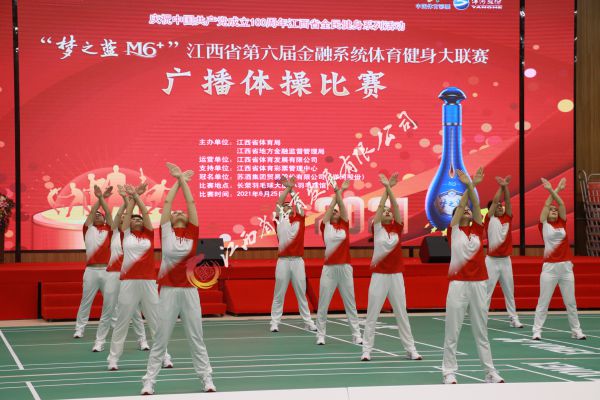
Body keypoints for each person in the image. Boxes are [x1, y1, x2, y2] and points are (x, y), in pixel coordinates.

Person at [141, 163, 215, 394]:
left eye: (182, 212)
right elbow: (167, 204)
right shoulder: (166, 232)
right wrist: (176, 180)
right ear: (170, 220)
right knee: (161, 338)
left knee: (196, 337)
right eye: (176, 213)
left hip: (190, 290)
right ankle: (149, 381)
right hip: (169, 290)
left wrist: (183, 180)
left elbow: (191, 203)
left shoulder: (192, 232)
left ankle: (207, 378)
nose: (180, 212)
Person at [442, 168, 504, 384]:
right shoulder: (454, 230)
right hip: (458, 284)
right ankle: (449, 371)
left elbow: (476, 207)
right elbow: (461, 206)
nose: (467, 211)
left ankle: (490, 372)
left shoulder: (477, 230)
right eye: (464, 211)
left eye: (469, 211)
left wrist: (472, 185)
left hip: (479, 284)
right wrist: (468, 185)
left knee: (481, 330)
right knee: (453, 330)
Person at [107, 183, 172, 371]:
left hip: (149, 282)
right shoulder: (125, 234)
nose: (136, 220)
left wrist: (137, 196)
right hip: (128, 282)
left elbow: (145, 213)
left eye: (139, 219)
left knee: (156, 322)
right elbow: (128, 214)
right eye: (133, 219)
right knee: (122, 322)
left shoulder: (149, 235)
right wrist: (131, 200)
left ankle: (164, 356)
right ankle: (113, 359)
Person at [361, 173, 421, 361]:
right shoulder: (377, 227)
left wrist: (390, 189)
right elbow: (380, 209)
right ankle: (366, 350)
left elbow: (395, 207)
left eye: (389, 212)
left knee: (401, 313)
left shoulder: (397, 228)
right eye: (384, 212)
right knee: (372, 314)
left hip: (396, 275)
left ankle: (411, 349)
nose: (387, 212)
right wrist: (386, 189)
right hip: (379, 275)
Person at [93, 185, 148, 352]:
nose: (123, 217)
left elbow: (131, 214)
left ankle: (142, 341)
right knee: (108, 309)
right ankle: (99, 342)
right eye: (122, 216)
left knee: (135, 311)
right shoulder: (115, 233)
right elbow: (116, 215)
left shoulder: (135, 237)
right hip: (113, 275)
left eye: (127, 217)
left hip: (129, 277)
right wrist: (126, 200)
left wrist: (132, 197)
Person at [532, 177, 586, 340]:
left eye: (555, 210)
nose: (554, 210)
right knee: (544, 301)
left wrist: (557, 190)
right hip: (550, 268)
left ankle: (576, 331)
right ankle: (537, 331)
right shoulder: (543, 225)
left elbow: (561, 204)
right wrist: (551, 190)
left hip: (566, 268)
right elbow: (546, 205)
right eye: (552, 210)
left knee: (571, 302)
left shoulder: (562, 222)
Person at [315, 179, 362, 345]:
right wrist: (337, 192)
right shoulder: (325, 226)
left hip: (345, 268)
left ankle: (356, 334)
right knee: (323, 304)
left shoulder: (344, 225)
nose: (335, 212)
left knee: (350, 304)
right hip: (329, 269)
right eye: (332, 212)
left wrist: (339, 192)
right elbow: (329, 212)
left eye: (336, 212)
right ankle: (320, 335)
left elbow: (342, 207)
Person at [269, 175, 317, 333]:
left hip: (297, 261)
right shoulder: (278, 220)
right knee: (279, 293)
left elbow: (300, 205)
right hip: (283, 261)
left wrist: (292, 190)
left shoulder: (299, 219)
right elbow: (278, 203)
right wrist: (287, 188)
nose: (286, 206)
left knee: (301, 293)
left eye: (289, 205)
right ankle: (274, 322)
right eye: (285, 206)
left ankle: (308, 321)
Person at [73, 185, 113, 338]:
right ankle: (79, 329)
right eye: (95, 215)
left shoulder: (110, 229)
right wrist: (99, 198)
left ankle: (115, 327)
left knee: (111, 302)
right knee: (86, 301)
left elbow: (108, 213)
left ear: (104, 219)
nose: (97, 216)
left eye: (99, 215)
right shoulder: (88, 229)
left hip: (107, 271)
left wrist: (103, 198)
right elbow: (91, 212)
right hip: (91, 271)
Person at [484, 175, 523, 328]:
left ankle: (514, 318)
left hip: (506, 261)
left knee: (509, 292)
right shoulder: (489, 219)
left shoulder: (508, 218)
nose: (500, 207)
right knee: (487, 291)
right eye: (497, 206)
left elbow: (507, 201)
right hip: (491, 261)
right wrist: (500, 187)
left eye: (501, 206)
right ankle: (482, 318)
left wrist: (506, 186)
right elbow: (495, 201)